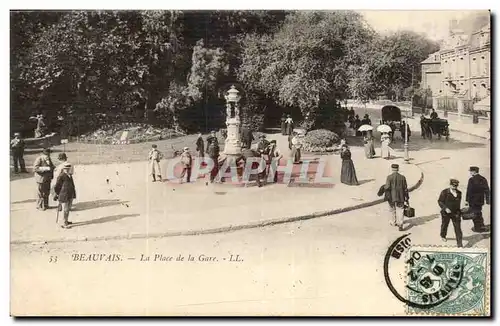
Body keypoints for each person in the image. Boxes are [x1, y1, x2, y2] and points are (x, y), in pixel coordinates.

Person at [438, 179, 463, 247]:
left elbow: (458, 203)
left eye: (456, 186)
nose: (454, 187)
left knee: (458, 228)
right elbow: (440, 201)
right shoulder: (444, 192)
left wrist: (459, 212)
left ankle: (459, 244)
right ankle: (443, 235)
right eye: (453, 186)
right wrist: (445, 208)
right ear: (450, 185)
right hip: (446, 213)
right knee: (445, 225)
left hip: (456, 213)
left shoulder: (459, 193)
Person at [466, 166, 490, 232]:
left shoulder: (471, 180)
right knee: (479, 213)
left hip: (472, 201)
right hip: (480, 200)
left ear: (474, 171)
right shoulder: (483, 179)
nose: (470, 173)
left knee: (474, 214)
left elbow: (469, 191)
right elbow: (487, 190)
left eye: (470, 171)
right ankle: (481, 226)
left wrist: (467, 200)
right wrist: (488, 200)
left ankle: (478, 228)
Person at [385, 164, 409, 231]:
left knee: (392, 209)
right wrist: (407, 197)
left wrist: (384, 187)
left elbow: (387, 187)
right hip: (400, 196)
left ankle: (393, 222)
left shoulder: (389, 177)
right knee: (400, 210)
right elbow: (405, 188)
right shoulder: (403, 177)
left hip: (391, 197)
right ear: (398, 169)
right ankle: (400, 224)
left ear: (392, 169)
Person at [54, 162, 76, 229]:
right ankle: (63, 223)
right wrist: (58, 194)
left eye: (68, 168)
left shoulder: (70, 175)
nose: (67, 170)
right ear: (63, 169)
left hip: (70, 194)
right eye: (66, 169)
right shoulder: (61, 176)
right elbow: (57, 187)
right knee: (65, 209)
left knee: (68, 208)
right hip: (64, 195)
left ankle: (66, 220)